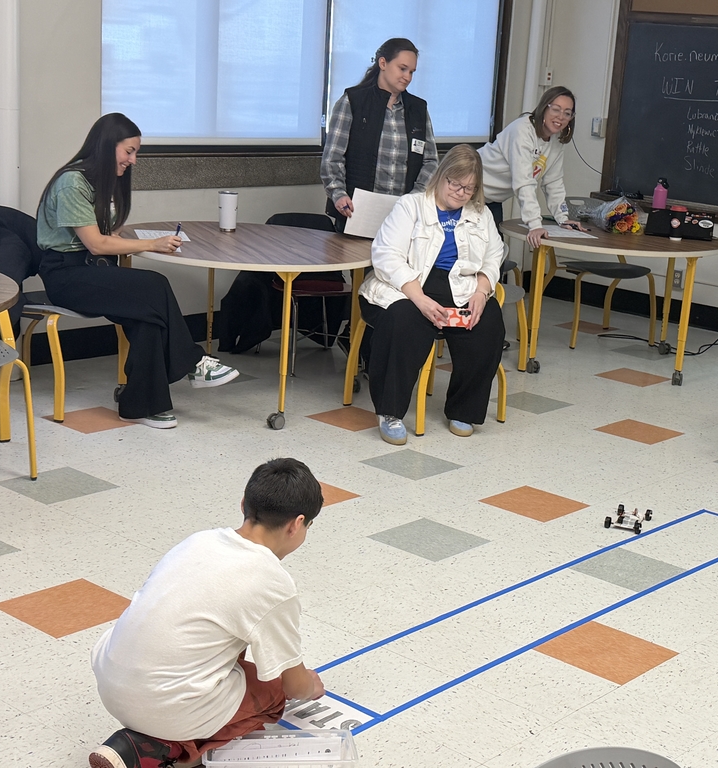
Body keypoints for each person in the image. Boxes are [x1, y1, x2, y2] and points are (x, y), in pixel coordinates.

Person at [88, 458, 325, 768]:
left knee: (225, 640)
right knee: (274, 694)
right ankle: (163, 749)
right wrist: (311, 685)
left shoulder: (198, 541)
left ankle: (151, 733)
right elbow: (294, 685)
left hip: (110, 680)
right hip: (164, 707)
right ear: (296, 524)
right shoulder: (273, 581)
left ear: (243, 504)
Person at [37, 113, 238, 429]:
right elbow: (95, 245)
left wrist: (121, 238)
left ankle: (140, 404)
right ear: (107, 146)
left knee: (147, 316)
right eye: (129, 151)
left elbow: (104, 235)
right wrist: (151, 245)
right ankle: (193, 361)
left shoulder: (101, 181)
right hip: (66, 276)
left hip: (93, 271)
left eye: (136, 153)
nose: (133, 160)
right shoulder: (71, 182)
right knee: (154, 285)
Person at [359, 144, 506, 445]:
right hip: (405, 286)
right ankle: (390, 412)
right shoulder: (410, 206)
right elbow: (386, 255)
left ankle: (464, 410)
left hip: (460, 285)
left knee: (488, 322)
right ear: (441, 175)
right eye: (455, 183)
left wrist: (482, 289)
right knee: (404, 322)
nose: (461, 192)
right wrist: (419, 298)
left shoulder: (482, 214)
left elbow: (494, 255)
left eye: (469, 188)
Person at [320, 37, 438, 234]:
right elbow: (332, 157)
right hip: (357, 212)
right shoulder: (353, 101)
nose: (407, 77)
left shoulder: (418, 109)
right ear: (383, 63)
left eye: (412, 72)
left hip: (404, 214)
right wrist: (338, 194)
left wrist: (415, 198)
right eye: (402, 68)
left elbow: (431, 161)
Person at [477, 85, 587, 248]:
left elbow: (553, 183)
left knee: (493, 255)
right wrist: (535, 225)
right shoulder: (522, 129)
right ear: (544, 108)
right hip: (467, 193)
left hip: (492, 200)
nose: (561, 117)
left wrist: (563, 219)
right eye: (556, 109)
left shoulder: (556, 142)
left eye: (567, 113)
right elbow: (524, 182)